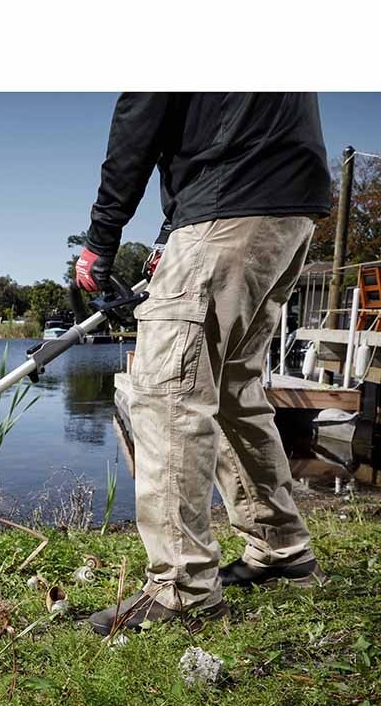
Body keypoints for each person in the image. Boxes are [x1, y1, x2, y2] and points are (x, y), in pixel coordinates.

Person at [74, 93, 332, 635]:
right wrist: (172, 233)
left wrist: (101, 238)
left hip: (230, 198)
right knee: (234, 387)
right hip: (290, 203)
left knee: (167, 393)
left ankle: (182, 586)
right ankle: (282, 548)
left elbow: (138, 123)